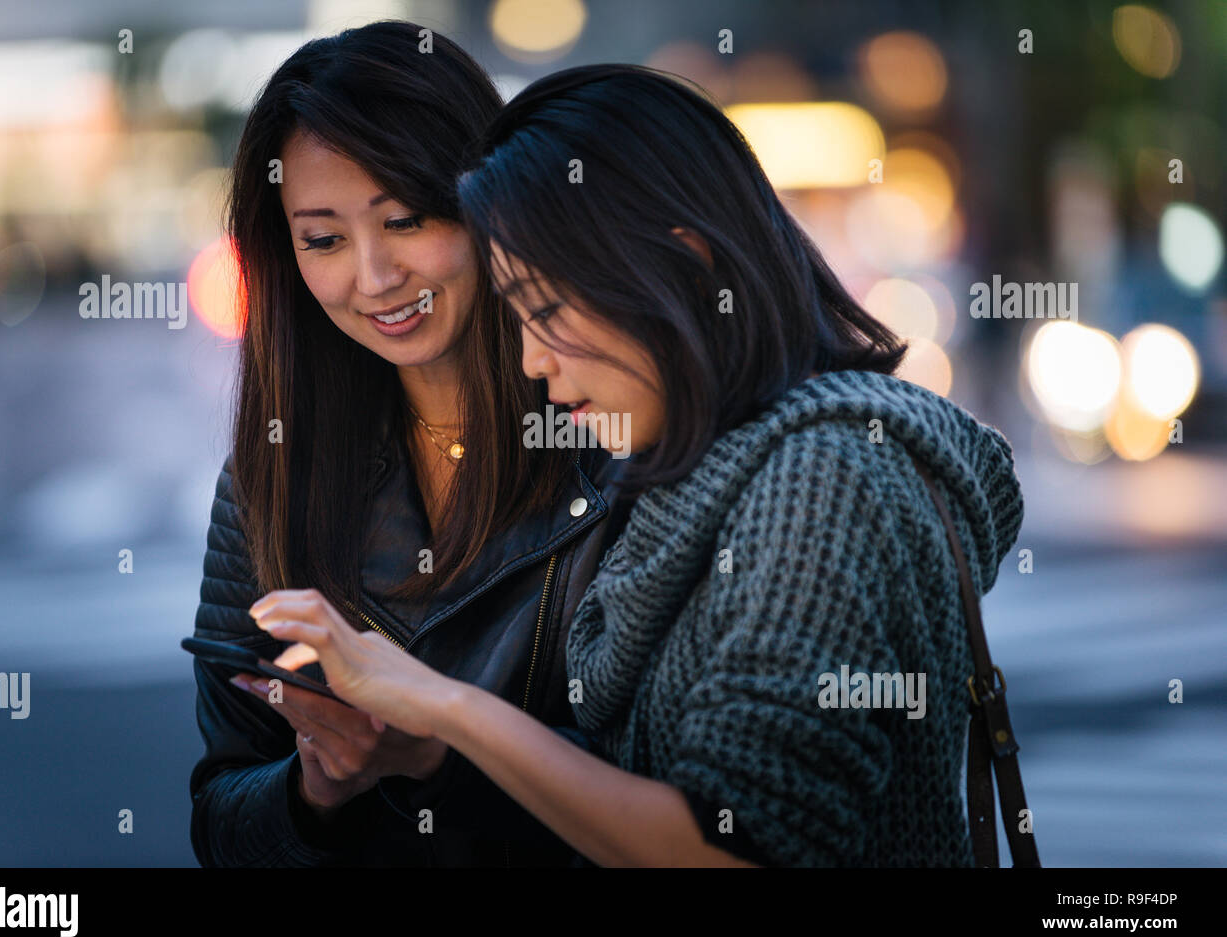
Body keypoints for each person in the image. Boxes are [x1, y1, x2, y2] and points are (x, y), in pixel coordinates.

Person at [250, 64, 1025, 866]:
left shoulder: (822, 474)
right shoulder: (694, 468)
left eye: (546, 312)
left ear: (685, 264)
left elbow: (734, 845)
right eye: (516, 317)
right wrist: (427, 750)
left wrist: (447, 707)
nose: (533, 362)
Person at [187, 27, 631, 868]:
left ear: (493, 200)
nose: (375, 275)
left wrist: (438, 751)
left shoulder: (618, 438)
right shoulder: (270, 476)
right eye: (323, 239)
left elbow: (690, 798)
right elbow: (220, 814)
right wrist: (317, 785)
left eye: (406, 218)